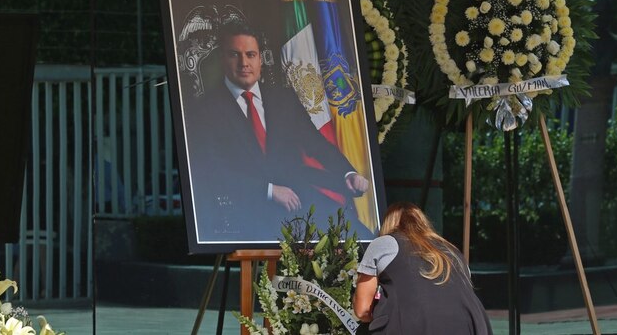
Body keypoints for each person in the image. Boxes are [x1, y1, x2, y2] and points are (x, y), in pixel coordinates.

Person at [184, 22, 371, 241]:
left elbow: (316, 144)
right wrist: (270, 191)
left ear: (260, 59)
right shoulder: (205, 110)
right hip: (247, 210)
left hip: (300, 201)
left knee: (363, 242)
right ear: (222, 59)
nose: (244, 63)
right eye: (234, 54)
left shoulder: (284, 99)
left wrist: (347, 173)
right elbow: (211, 172)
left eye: (251, 54)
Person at [354, 202, 493, 334]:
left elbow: (362, 310)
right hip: (470, 325)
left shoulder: (384, 243)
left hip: (410, 326)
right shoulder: (452, 250)